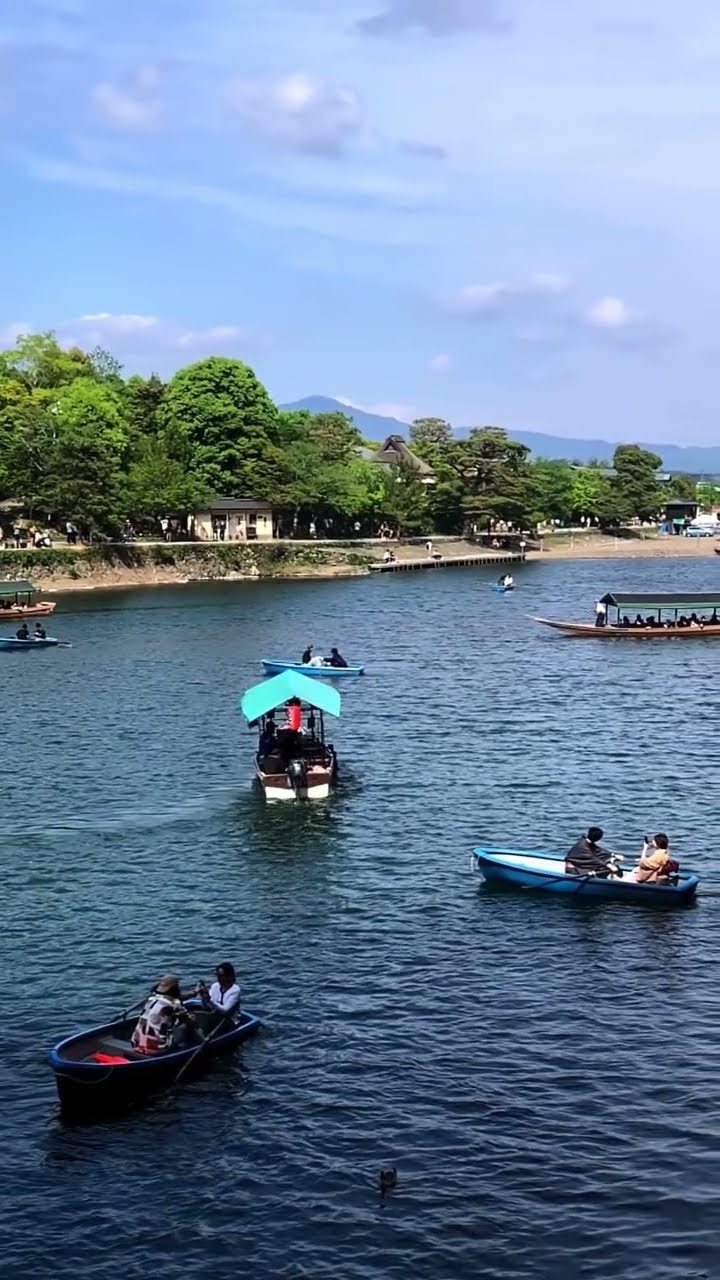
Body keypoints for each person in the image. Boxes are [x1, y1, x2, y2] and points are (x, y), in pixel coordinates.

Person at [131, 976, 198, 1055]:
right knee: (185, 1024)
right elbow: (189, 1021)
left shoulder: (151, 999)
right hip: (158, 1049)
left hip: (135, 1044)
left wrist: (194, 993)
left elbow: (178, 998)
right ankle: (189, 1046)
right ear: (175, 989)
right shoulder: (174, 1004)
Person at [196, 962, 241, 1030]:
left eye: (221, 976)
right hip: (215, 1016)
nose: (218, 978)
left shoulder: (235, 990)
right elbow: (206, 1006)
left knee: (201, 1018)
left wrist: (210, 999)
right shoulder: (215, 986)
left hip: (229, 1020)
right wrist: (204, 997)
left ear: (228, 976)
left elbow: (225, 1010)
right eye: (217, 975)